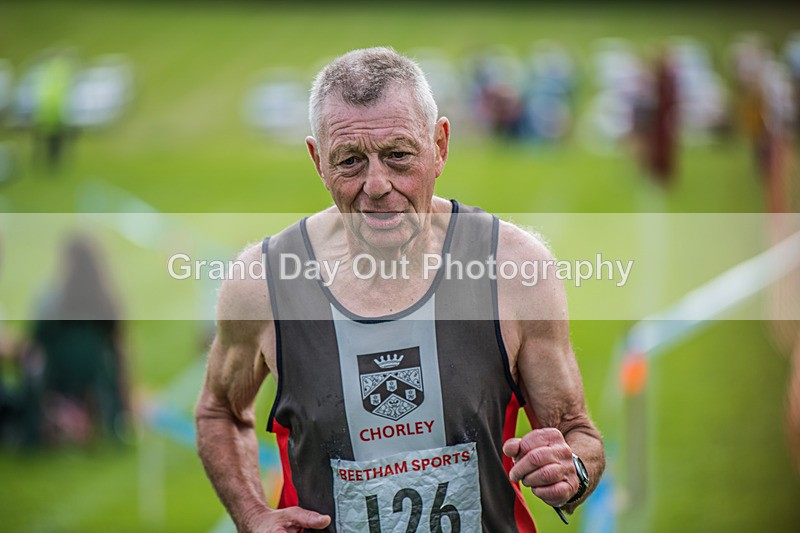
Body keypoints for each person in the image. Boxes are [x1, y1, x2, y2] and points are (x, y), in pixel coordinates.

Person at [195, 47, 605, 532]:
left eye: (398, 155)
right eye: (349, 160)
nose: (376, 184)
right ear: (317, 161)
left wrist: (570, 471)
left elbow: (577, 433)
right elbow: (219, 411)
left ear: (440, 146)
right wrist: (251, 514)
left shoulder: (514, 270)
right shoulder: (263, 283)